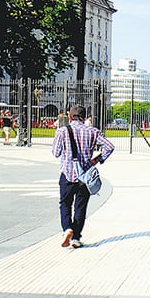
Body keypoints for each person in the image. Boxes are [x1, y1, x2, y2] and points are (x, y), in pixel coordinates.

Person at [51, 104, 115, 248]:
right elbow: (109, 147)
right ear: (85, 117)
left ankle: (67, 229)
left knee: (65, 203)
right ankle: (76, 237)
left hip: (67, 174)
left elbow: (56, 153)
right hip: (85, 176)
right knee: (81, 206)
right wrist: (96, 160)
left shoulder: (62, 131)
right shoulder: (93, 131)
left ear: (69, 116)